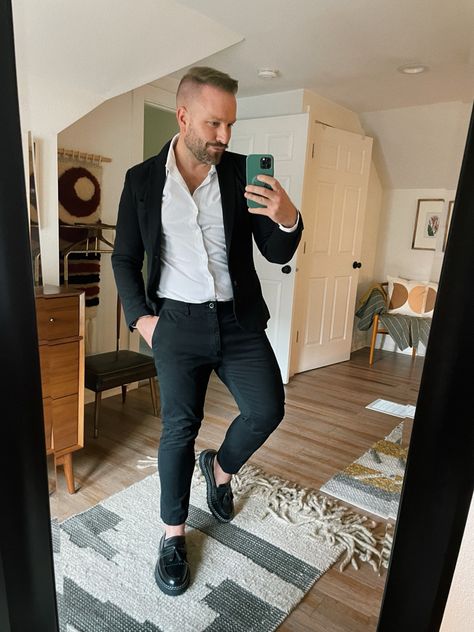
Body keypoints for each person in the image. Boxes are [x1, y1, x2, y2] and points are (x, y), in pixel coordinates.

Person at [112, 66, 303, 596]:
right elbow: (125, 258)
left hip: (237, 320)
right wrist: (140, 318)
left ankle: (219, 468)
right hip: (175, 321)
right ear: (183, 115)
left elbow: (277, 250)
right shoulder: (142, 181)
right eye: (214, 124)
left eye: (230, 126)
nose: (224, 137)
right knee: (179, 426)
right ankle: (173, 536)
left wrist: (287, 216)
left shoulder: (244, 173)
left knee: (267, 408)